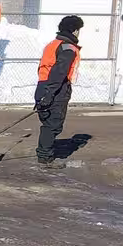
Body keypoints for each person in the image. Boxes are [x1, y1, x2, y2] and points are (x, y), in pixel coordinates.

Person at [34, 15, 83, 168]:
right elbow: (59, 72)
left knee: (48, 122)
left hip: (43, 85)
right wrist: (50, 93)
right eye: (78, 30)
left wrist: (45, 92)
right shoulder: (68, 48)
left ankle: (45, 152)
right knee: (53, 124)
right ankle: (45, 157)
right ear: (74, 31)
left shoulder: (53, 44)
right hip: (56, 88)